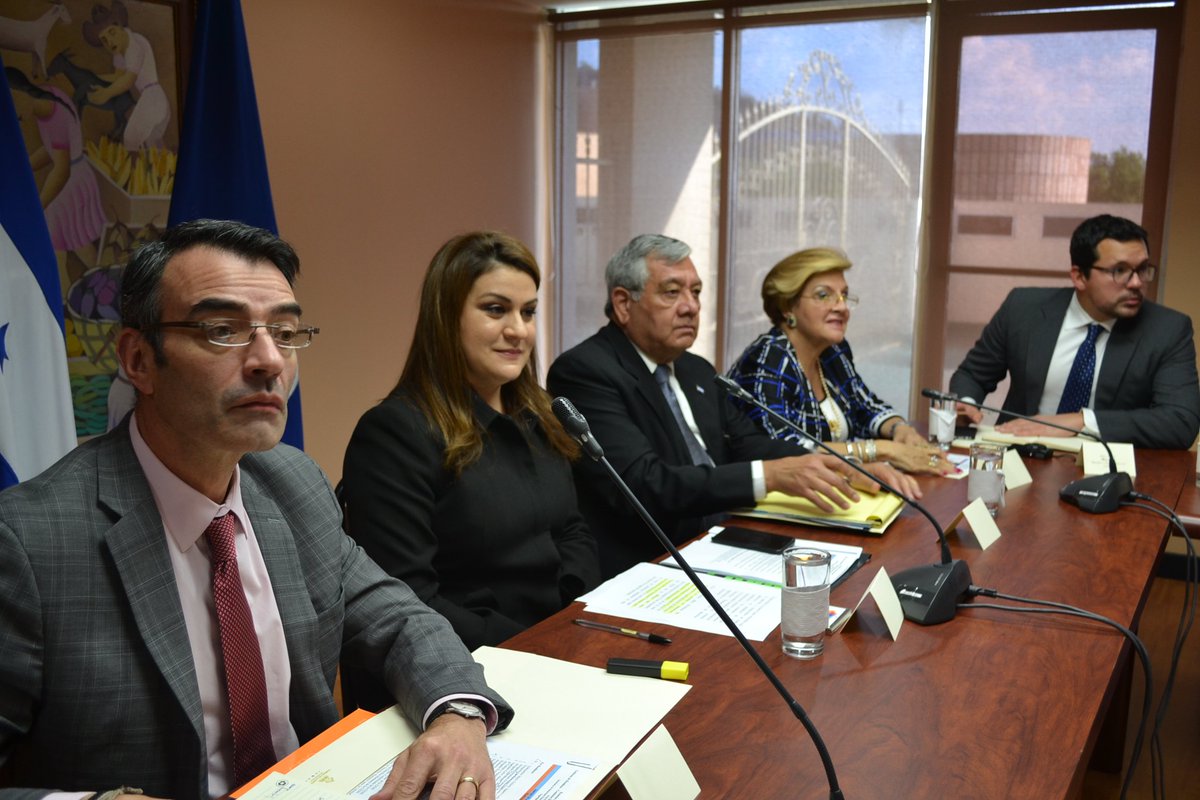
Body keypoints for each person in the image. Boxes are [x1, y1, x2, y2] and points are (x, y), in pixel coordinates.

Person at [0, 220, 511, 800]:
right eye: (222, 330)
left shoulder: (292, 484)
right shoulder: (28, 542)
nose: (270, 361)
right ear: (139, 359)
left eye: (286, 332)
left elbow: (400, 620)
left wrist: (458, 716)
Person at [547, 234, 919, 578]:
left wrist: (842, 467)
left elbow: (750, 443)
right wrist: (769, 476)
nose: (691, 307)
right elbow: (646, 484)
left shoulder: (696, 369)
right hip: (651, 564)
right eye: (672, 292)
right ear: (623, 304)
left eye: (696, 292)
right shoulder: (586, 371)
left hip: (727, 542)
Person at [341, 231, 600, 657]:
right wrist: (529, 648)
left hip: (560, 640)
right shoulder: (395, 432)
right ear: (446, 318)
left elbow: (572, 529)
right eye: (496, 309)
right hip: (470, 661)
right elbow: (409, 596)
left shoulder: (542, 413)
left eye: (528, 312)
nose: (518, 330)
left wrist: (567, 621)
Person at [949, 214, 1200, 450]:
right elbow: (973, 375)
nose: (1136, 283)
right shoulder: (1023, 309)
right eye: (1120, 271)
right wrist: (965, 405)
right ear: (1079, 277)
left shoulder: (1167, 330)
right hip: (1019, 454)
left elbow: (1180, 420)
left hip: (1106, 467)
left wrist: (1082, 421)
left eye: (1142, 269)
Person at [727, 247, 955, 475]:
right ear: (787, 307)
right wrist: (882, 450)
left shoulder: (833, 351)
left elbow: (865, 406)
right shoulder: (768, 359)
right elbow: (785, 450)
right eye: (823, 295)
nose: (841, 307)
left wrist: (899, 428)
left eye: (844, 295)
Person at [83, 0, 170, 152]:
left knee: (131, 139)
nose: (109, 42)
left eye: (112, 32)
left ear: (120, 26)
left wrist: (106, 93)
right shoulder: (120, 51)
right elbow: (118, 76)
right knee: (154, 148)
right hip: (151, 100)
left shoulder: (134, 44)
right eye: (104, 39)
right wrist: (93, 79)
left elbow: (128, 80)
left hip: (154, 99)